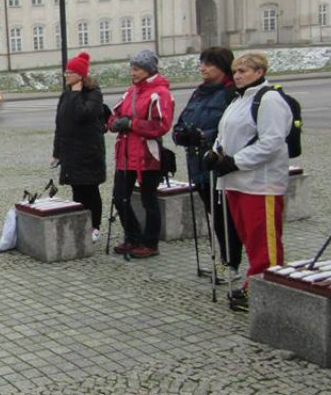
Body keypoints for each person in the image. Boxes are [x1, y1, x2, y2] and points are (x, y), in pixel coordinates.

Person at [206, 52, 292, 311]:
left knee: (264, 242)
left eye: (244, 71)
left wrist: (236, 161)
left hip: (260, 183)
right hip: (235, 182)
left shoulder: (269, 99)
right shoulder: (238, 99)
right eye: (235, 71)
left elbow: (271, 141)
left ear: (260, 72)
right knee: (249, 239)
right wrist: (215, 153)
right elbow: (224, 133)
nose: (238, 75)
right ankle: (255, 284)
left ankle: (268, 293)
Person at [173, 47, 242, 277]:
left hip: (218, 165)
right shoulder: (199, 92)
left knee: (225, 218)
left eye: (209, 64)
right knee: (215, 215)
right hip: (197, 165)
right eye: (202, 63)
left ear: (222, 67)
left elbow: (230, 129)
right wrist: (181, 133)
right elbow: (183, 120)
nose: (202, 68)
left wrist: (204, 136)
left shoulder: (231, 93)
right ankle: (224, 261)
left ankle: (231, 264)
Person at [108, 49, 175, 259]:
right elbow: (115, 114)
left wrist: (132, 124)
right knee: (120, 198)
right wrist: (114, 123)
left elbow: (160, 125)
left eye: (136, 69)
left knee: (149, 201)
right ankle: (133, 236)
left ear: (148, 69)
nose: (132, 73)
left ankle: (150, 243)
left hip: (147, 156)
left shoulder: (160, 93)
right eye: (132, 68)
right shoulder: (131, 91)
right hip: (126, 154)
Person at [51, 52, 106, 243]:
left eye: (69, 72)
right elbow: (60, 124)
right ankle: (82, 224)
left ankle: (95, 226)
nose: (66, 75)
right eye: (65, 72)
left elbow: (83, 114)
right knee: (77, 190)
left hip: (89, 152)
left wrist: (75, 93)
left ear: (80, 75)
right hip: (71, 152)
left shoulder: (94, 94)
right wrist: (57, 153)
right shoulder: (66, 94)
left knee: (90, 190)